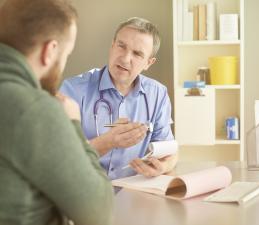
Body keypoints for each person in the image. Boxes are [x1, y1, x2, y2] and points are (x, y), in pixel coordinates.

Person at [0, 1, 113, 225]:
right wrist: (73, 124)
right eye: (66, 54)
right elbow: (99, 214)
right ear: (49, 51)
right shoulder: (34, 109)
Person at [60, 17, 178, 180]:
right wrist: (108, 141)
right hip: (84, 191)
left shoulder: (157, 94)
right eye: (121, 46)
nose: (124, 58)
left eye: (137, 53)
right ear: (112, 46)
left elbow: (170, 152)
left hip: (134, 192)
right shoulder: (73, 90)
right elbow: (59, 157)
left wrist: (162, 167)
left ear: (148, 63)